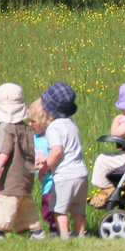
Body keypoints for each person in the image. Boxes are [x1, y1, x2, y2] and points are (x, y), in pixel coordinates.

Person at [0, 83, 46, 239]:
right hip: (26, 175)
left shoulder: (5, 128)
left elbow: (5, 151)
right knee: (24, 202)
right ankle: (37, 231)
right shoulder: (26, 128)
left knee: (4, 201)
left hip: (11, 176)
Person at [35, 82, 89, 238]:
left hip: (65, 176)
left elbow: (57, 151)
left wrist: (44, 168)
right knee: (78, 209)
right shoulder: (71, 124)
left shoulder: (53, 127)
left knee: (59, 209)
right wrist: (46, 158)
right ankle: (81, 234)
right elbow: (67, 149)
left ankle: (64, 237)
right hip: (81, 173)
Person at [29, 98, 57, 230]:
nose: (30, 124)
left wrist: (46, 161)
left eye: (34, 121)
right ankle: (54, 229)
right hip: (44, 182)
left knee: (53, 207)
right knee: (45, 207)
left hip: (54, 180)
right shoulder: (34, 139)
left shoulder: (51, 138)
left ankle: (56, 230)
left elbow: (56, 154)